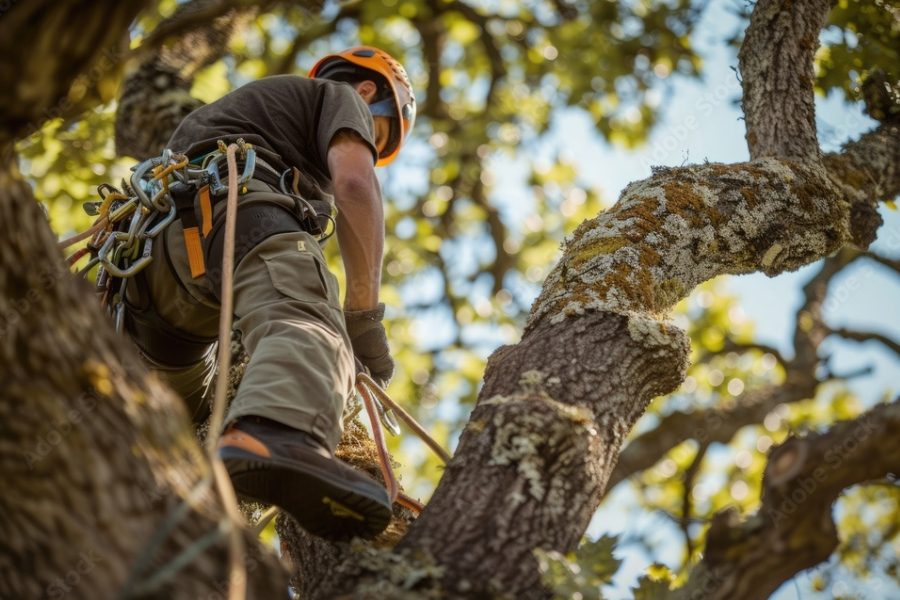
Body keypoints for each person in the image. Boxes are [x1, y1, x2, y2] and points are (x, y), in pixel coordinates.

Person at [122, 47, 416, 539]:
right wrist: (362, 318)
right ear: (370, 92)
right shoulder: (343, 96)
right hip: (235, 211)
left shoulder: (255, 118)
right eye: (377, 135)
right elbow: (355, 183)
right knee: (308, 321)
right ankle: (279, 431)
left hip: (155, 271)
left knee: (186, 415)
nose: (370, 144)